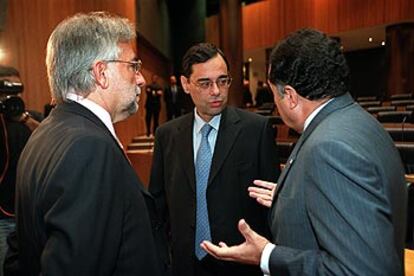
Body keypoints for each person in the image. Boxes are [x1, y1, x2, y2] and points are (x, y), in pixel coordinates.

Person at [201, 28, 407, 275]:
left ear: (289, 96)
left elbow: (360, 271)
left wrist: (267, 255)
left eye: (274, 93)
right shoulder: (361, 123)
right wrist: (296, 196)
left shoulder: (329, 149)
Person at [5, 12, 162, 275]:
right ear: (101, 73)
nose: (141, 79)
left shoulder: (44, 133)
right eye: (133, 66)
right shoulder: (89, 148)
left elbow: (18, 253)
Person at [148, 42, 280, 276]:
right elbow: (158, 209)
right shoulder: (166, 135)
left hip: (240, 264)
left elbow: (272, 206)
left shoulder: (256, 131)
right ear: (185, 84)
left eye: (222, 80)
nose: (217, 91)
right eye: (205, 83)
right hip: (183, 264)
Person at [0, 66, 40, 276]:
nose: (11, 97)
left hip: (32, 216)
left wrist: (24, 119)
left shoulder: (31, 118)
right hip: (2, 217)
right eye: (5, 90)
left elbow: (51, 137)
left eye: (15, 91)